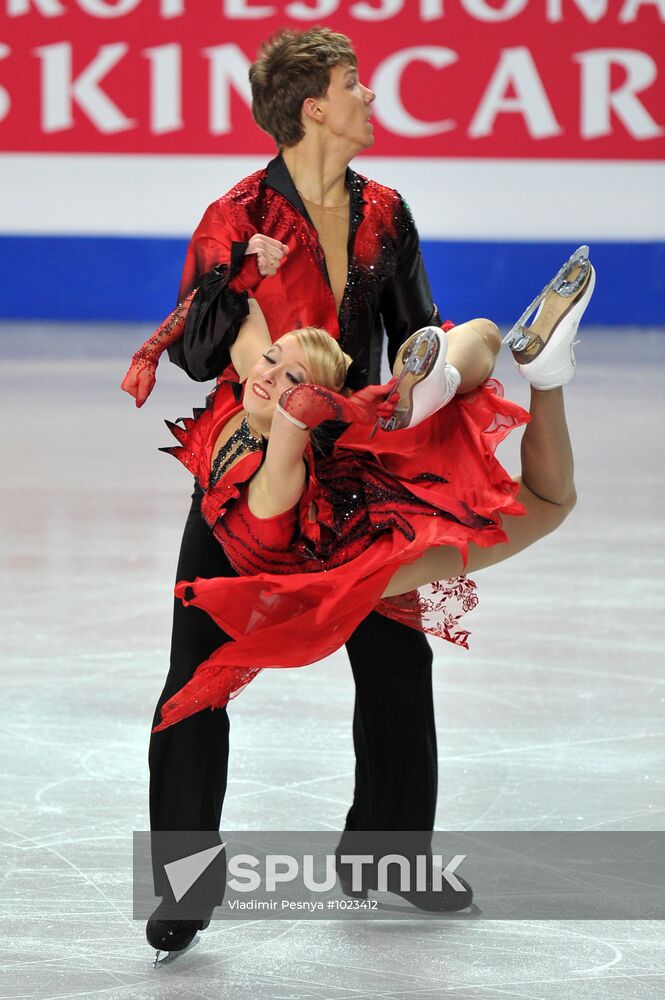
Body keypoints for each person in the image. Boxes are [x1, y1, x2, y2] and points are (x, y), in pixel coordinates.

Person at [119, 22, 593, 955]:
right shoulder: (235, 215)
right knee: (197, 675)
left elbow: (419, 326)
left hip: (361, 456)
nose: (371, 96)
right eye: (355, 83)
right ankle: (184, 883)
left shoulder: (387, 213)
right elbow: (196, 354)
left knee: (393, 663)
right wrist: (233, 287)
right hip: (257, 457)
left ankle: (386, 856)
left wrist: (437, 377)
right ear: (313, 107)